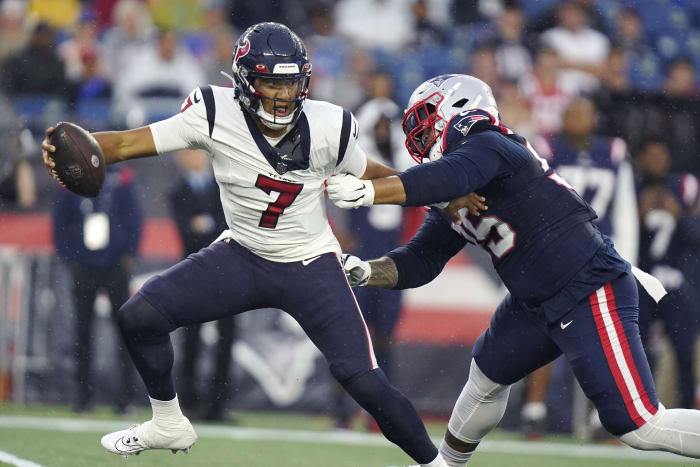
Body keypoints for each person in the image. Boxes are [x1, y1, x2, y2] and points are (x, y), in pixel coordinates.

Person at [43, 22, 457, 466]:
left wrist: (441, 193)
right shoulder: (213, 113)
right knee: (139, 318)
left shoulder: (327, 125)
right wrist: (77, 147)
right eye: (269, 82)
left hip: (310, 264)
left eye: (290, 82)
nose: (281, 94)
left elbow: (374, 172)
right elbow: (127, 143)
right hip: (242, 254)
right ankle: (167, 422)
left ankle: (435, 465)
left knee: (365, 382)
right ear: (244, 82)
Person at [327, 74, 700, 466]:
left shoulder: (491, 142)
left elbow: (450, 174)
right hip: (534, 300)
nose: (419, 139)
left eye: (425, 122)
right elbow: (422, 259)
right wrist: (365, 272)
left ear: (456, 108)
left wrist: (370, 191)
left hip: (588, 285)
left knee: (637, 424)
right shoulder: (456, 187)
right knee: (484, 380)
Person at [520, 97, 638, 437]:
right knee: (542, 333)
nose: (576, 119)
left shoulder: (613, 152)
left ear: (594, 117)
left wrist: (626, 261)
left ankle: (603, 416)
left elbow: (626, 211)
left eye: (583, 113)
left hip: (598, 257)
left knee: (599, 337)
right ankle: (534, 409)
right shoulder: (545, 147)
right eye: (571, 113)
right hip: (551, 253)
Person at [52, 164, 142, 413]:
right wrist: (71, 258)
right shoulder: (70, 181)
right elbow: (60, 221)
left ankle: (125, 398)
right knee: (83, 331)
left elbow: (134, 216)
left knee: (123, 331)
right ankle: (83, 396)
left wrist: (128, 253)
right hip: (84, 265)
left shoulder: (121, 179)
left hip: (114, 265)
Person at [169, 149, 235, 421]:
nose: (192, 157)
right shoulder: (177, 192)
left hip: (228, 271)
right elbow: (186, 231)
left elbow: (229, 225)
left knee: (226, 337)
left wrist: (204, 226)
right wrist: (209, 228)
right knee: (191, 337)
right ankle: (189, 401)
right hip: (195, 272)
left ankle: (218, 403)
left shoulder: (225, 187)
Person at [635, 139, 700, 409]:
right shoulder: (632, 186)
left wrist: (681, 216)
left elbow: (696, 237)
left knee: (684, 352)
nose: (656, 161)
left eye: (661, 155)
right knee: (633, 350)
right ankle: (631, 411)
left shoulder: (685, 185)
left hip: (676, 284)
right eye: (650, 155)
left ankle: (688, 413)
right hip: (640, 281)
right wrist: (636, 217)